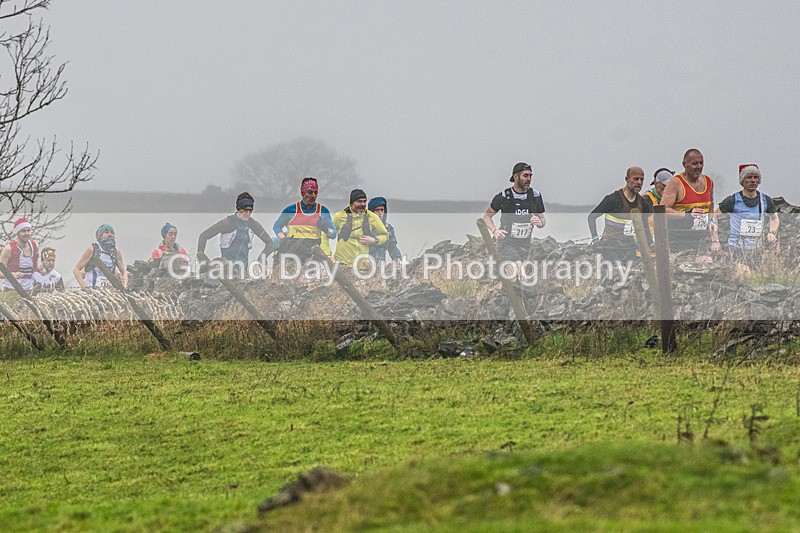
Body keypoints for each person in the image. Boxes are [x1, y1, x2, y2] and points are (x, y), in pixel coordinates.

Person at [482, 162, 546, 265]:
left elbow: (543, 221)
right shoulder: (504, 197)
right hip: (506, 243)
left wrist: (539, 223)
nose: (529, 179)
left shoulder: (535, 196)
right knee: (518, 266)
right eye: (525, 175)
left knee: (518, 276)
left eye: (530, 176)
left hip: (525, 245)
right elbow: (486, 217)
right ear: (515, 177)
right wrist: (495, 231)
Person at [660, 149, 720, 253]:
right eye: (694, 164)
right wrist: (686, 214)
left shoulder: (708, 181)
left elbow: (710, 205)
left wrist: (711, 225)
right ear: (684, 164)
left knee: (706, 265)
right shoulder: (675, 183)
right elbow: (662, 210)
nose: (699, 167)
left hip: (701, 239)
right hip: (679, 240)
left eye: (701, 163)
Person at [587, 166, 653, 262]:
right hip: (610, 246)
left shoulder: (643, 203)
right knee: (618, 272)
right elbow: (591, 217)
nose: (639, 182)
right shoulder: (613, 199)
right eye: (635, 179)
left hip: (629, 247)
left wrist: (650, 243)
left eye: (642, 180)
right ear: (627, 179)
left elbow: (645, 225)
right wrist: (595, 239)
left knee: (631, 273)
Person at [717, 164, 779, 262]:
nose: (753, 180)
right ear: (742, 180)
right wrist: (715, 239)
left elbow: (774, 218)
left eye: (756, 177)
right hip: (736, 247)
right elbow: (713, 216)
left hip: (757, 248)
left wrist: (772, 232)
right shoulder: (732, 200)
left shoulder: (765, 200)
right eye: (749, 177)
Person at [197, 192, 275, 264]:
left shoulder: (253, 224)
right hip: (225, 272)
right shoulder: (228, 223)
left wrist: (261, 258)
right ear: (239, 209)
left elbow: (270, 243)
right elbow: (203, 236)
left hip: (243, 273)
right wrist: (201, 257)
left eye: (250, 210)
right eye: (245, 210)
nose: (248, 213)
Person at [272, 177, 336, 262]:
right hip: (293, 255)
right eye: (310, 192)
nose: (313, 195)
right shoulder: (291, 210)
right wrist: (283, 239)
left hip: (312, 255)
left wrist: (326, 229)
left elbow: (334, 234)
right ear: (303, 193)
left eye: (315, 193)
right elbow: (277, 226)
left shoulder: (323, 211)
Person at [332, 189, 389, 266]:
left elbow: (385, 235)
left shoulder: (372, 216)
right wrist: (327, 253)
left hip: (363, 265)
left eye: (364, 201)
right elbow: (325, 233)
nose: (362, 204)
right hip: (342, 263)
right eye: (359, 201)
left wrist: (374, 240)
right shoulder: (339, 216)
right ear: (352, 203)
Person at [73, 224, 128, 289]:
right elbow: (76, 269)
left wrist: (124, 286)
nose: (110, 235)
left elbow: (123, 272)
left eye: (112, 233)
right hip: (92, 290)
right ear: (100, 236)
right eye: (106, 232)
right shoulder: (93, 249)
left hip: (108, 291)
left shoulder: (116, 253)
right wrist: (84, 288)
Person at [0, 218, 39, 291]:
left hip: (29, 289)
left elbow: (34, 267)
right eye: (23, 231)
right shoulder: (9, 249)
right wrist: (11, 275)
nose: (26, 234)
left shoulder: (35, 246)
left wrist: (40, 269)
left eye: (28, 230)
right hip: (11, 289)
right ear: (17, 232)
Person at [367, 197, 402, 263]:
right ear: (371, 211)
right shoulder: (365, 227)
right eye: (377, 210)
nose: (380, 213)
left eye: (382, 210)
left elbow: (392, 247)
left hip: (381, 266)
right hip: (364, 264)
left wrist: (397, 259)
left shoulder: (388, 228)